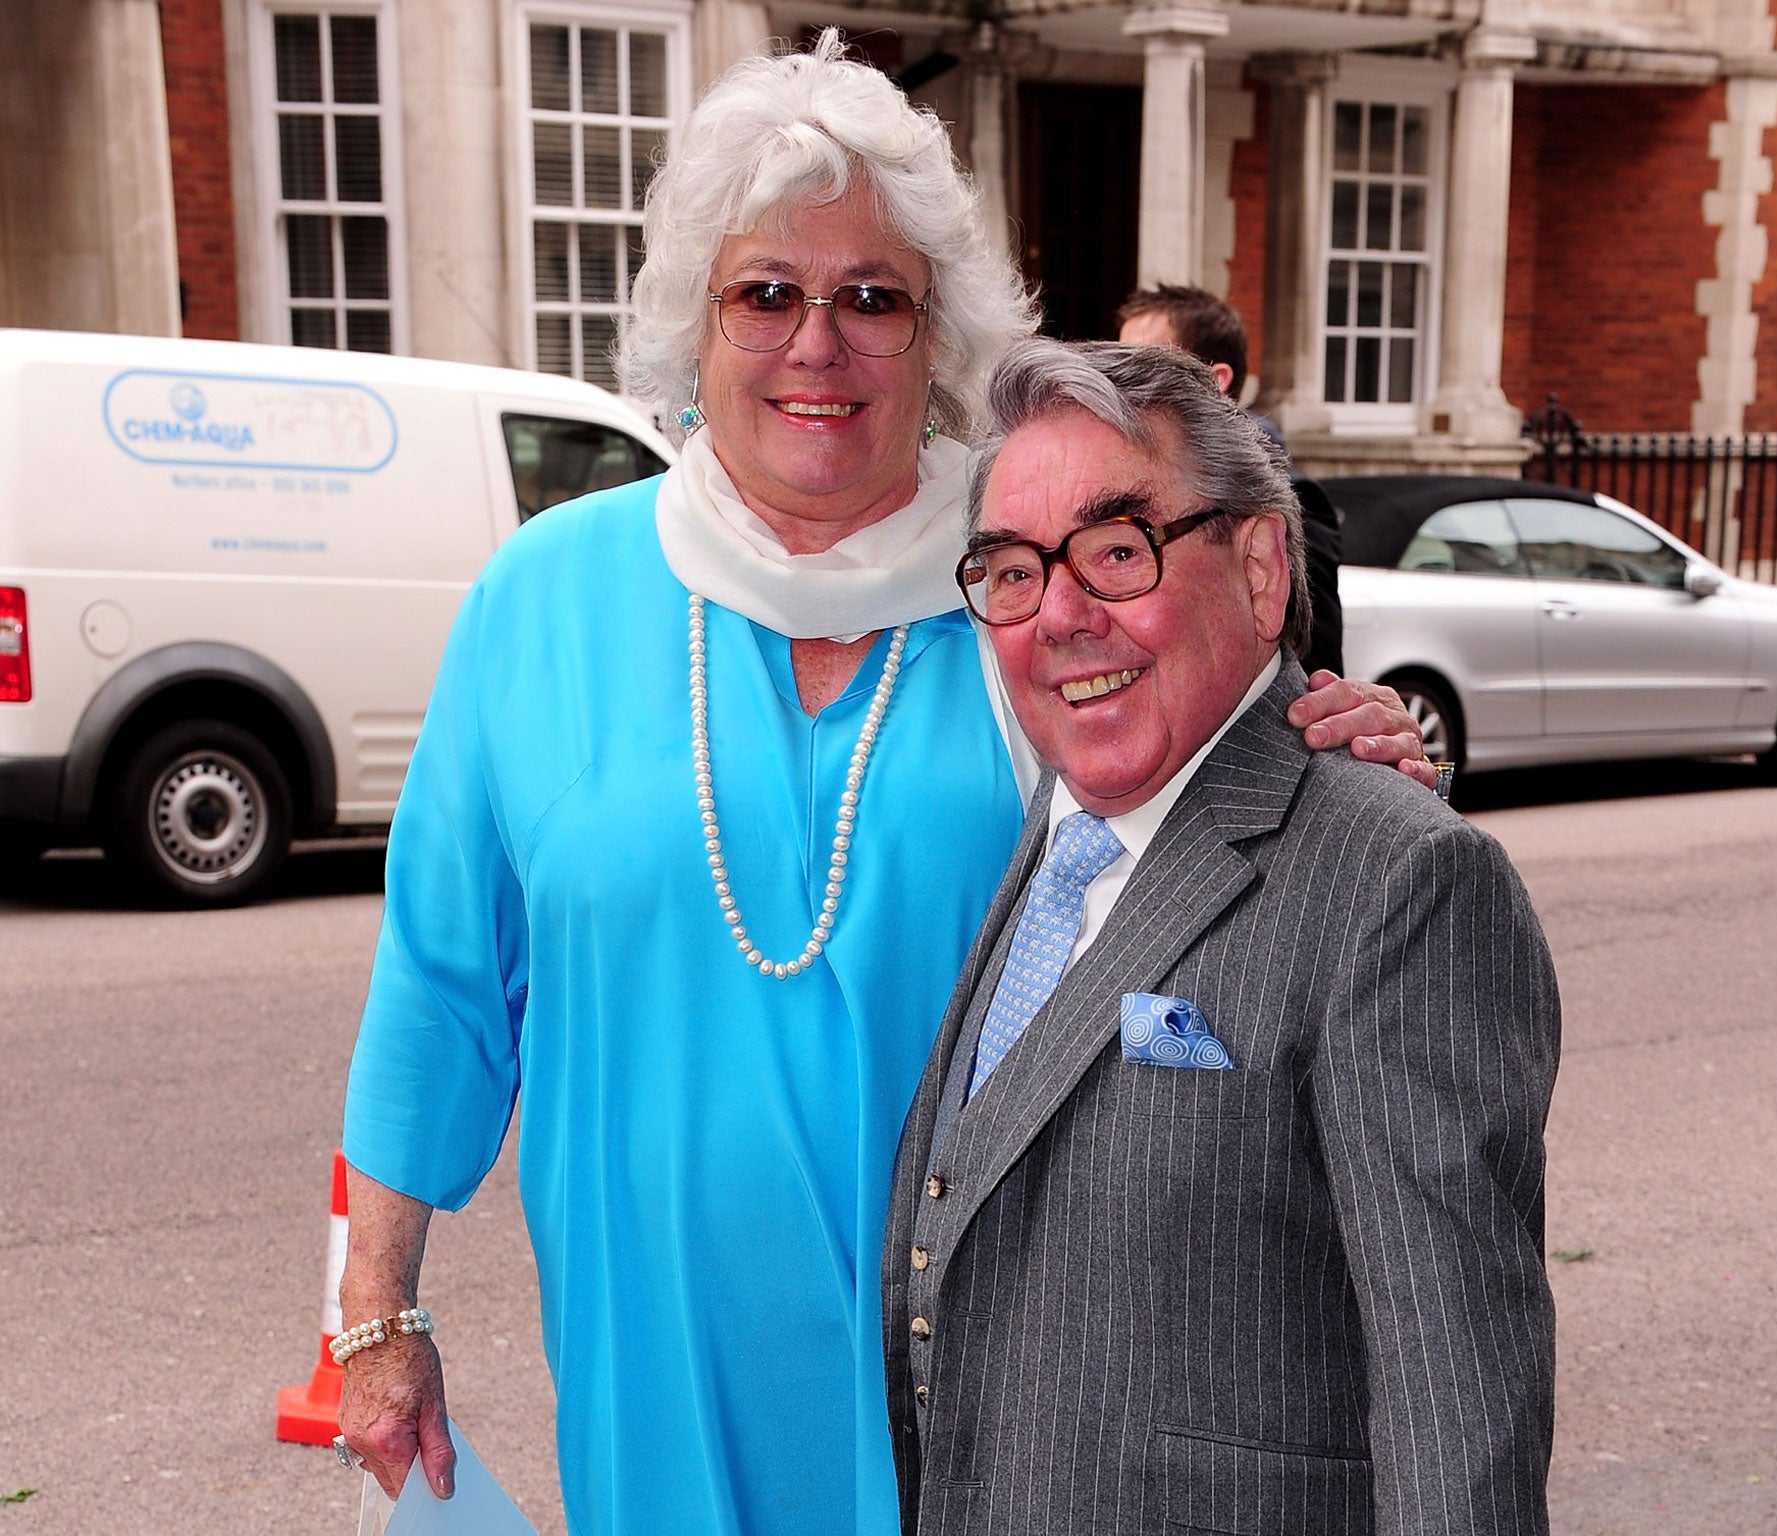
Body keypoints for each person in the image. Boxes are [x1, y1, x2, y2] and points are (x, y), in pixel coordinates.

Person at [332, 35, 1434, 1536]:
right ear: (695, 324)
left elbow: (1237, 811)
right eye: (766, 293)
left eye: (872, 299)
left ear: (937, 338)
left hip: (1008, 1338)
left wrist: (1342, 761)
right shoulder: (543, 601)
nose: (817, 344)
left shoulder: (1028, 593)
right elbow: (440, 987)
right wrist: (376, 1314)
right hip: (656, 1355)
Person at [884, 339, 1561, 1535]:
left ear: (1258, 566)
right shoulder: (1057, 814)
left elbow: (1454, 1402)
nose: (1061, 618)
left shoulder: (1402, 882)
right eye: (1010, 572)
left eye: (1114, 552)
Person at [1117, 284, 1348, 676]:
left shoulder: (1288, 497)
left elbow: (1314, 660)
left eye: (1145, 365)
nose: (1121, 384)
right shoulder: (1131, 486)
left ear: (1215, 379)